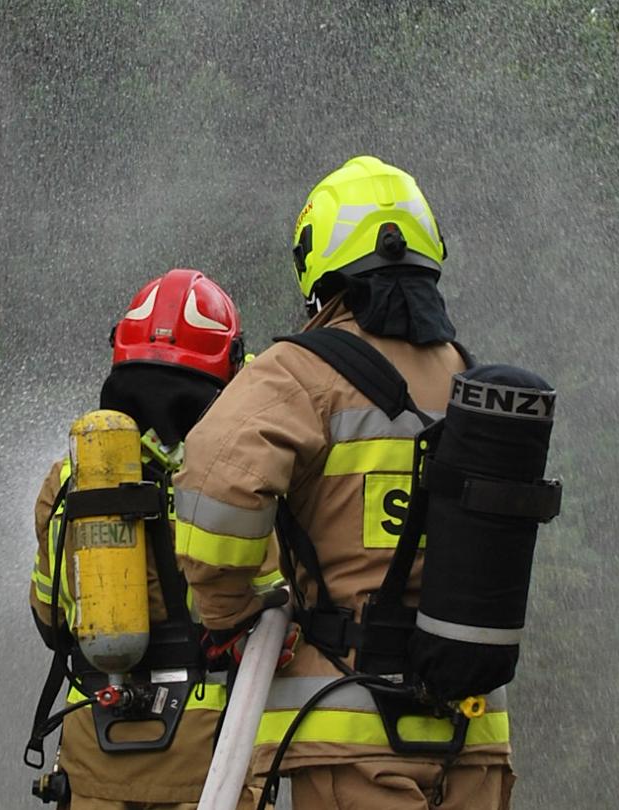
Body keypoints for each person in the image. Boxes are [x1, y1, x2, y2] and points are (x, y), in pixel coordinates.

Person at [174, 157, 515, 809]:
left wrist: (233, 611)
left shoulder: (300, 372)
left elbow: (212, 492)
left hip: (350, 731)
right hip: (475, 738)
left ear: (320, 260)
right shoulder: (475, 383)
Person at [27, 268, 275, 810]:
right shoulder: (238, 480)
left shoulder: (70, 479)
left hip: (92, 753)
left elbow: (51, 621)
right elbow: (277, 613)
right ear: (227, 365)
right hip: (207, 762)